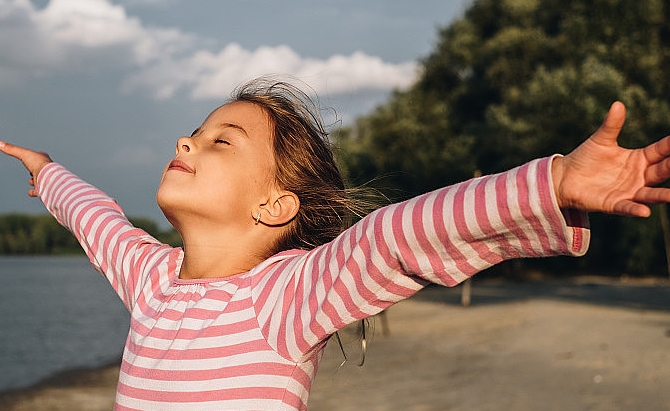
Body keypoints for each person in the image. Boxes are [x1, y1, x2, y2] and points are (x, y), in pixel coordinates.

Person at [2, 77, 670, 411]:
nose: (186, 141)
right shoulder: (152, 280)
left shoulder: (286, 296)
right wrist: (47, 172)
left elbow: (400, 236)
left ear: (276, 204)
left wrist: (551, 182)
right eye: (195, 132)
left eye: (219, 140)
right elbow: (96, 220)